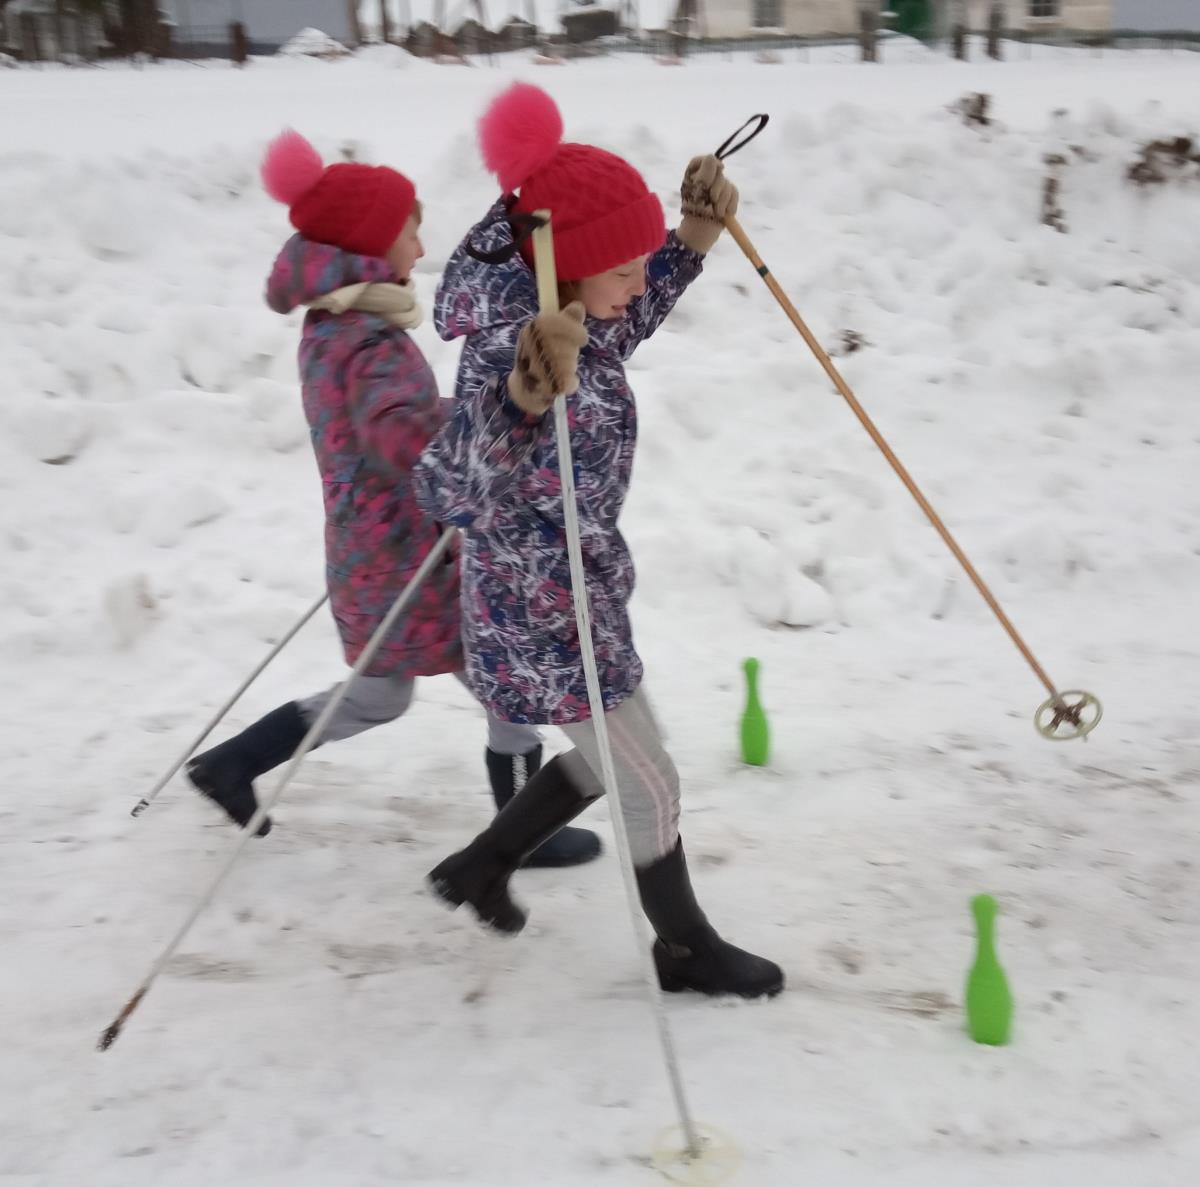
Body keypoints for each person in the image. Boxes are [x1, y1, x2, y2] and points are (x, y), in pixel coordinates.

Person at [414, 85, 783, 998]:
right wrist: (517, 402)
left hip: (581, 590)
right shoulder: (515, 344)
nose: (637, 280)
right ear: (567, 269)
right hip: (540, 607)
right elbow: (446, 488)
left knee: (614, 756)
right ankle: (686, 950)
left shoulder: (578, 310)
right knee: (649, 782)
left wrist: (694, 234)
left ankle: (481, 864)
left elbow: (631, 304)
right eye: (624, 265)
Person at [186, 128, 600, 868]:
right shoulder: (365, 338)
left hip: (381, 544)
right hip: (406, 551)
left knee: (402, 692)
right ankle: (520, 830)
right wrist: (491, 413)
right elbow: (394, 436)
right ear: (374, 245)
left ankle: (232, 764)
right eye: (411, 225)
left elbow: (386, 425)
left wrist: (463, 413)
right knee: (488, 676)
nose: (421, 238)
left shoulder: (338, 324)